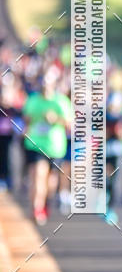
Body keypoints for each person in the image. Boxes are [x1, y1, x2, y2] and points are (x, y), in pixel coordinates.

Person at [22, 66, 71, 225]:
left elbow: (70, 124)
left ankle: (45, 203)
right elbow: (27, 120)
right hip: (35, 144)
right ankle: (36, 208)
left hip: (55, 146)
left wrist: (55, 119)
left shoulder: (61, 101)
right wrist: (26, 129)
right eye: (43, 83)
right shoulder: (33, 100)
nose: (45, 86)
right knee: (37, 175)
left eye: (48, 83)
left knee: (50, 181)